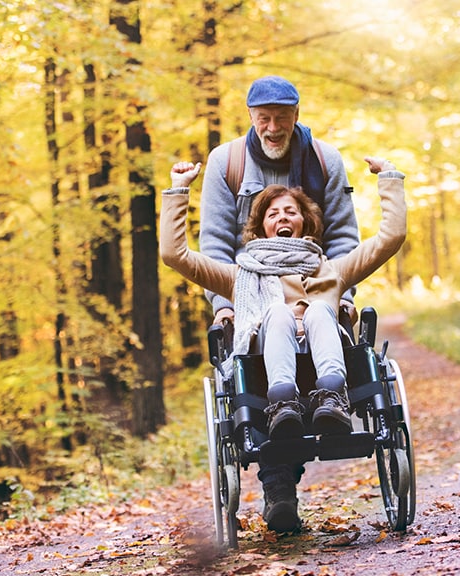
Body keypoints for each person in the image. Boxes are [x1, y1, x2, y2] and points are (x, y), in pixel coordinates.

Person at [162, 157, 406, 532]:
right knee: (276, 314)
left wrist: (388, 177)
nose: (283, 218)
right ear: (260, 228)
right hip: (266, 372)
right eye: (273, 213)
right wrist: (179, 190)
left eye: (291, 212)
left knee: (321, 313)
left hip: (325, 360)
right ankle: (283, 403)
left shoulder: (331, 270)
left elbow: (389, 239)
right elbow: (175, 255)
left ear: (305, 223)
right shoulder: (240, 275)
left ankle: (330, 397)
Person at [198, 75, 360, 328]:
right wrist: (224, 305)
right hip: (248, 293)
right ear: (251, 117)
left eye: (282, 117)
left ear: (296, 115)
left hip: (317, 287)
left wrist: (343, 297)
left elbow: (343, 237)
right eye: (264, 118)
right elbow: (215, 242)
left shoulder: (327, 160)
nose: (273, 128)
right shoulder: (225, 162)